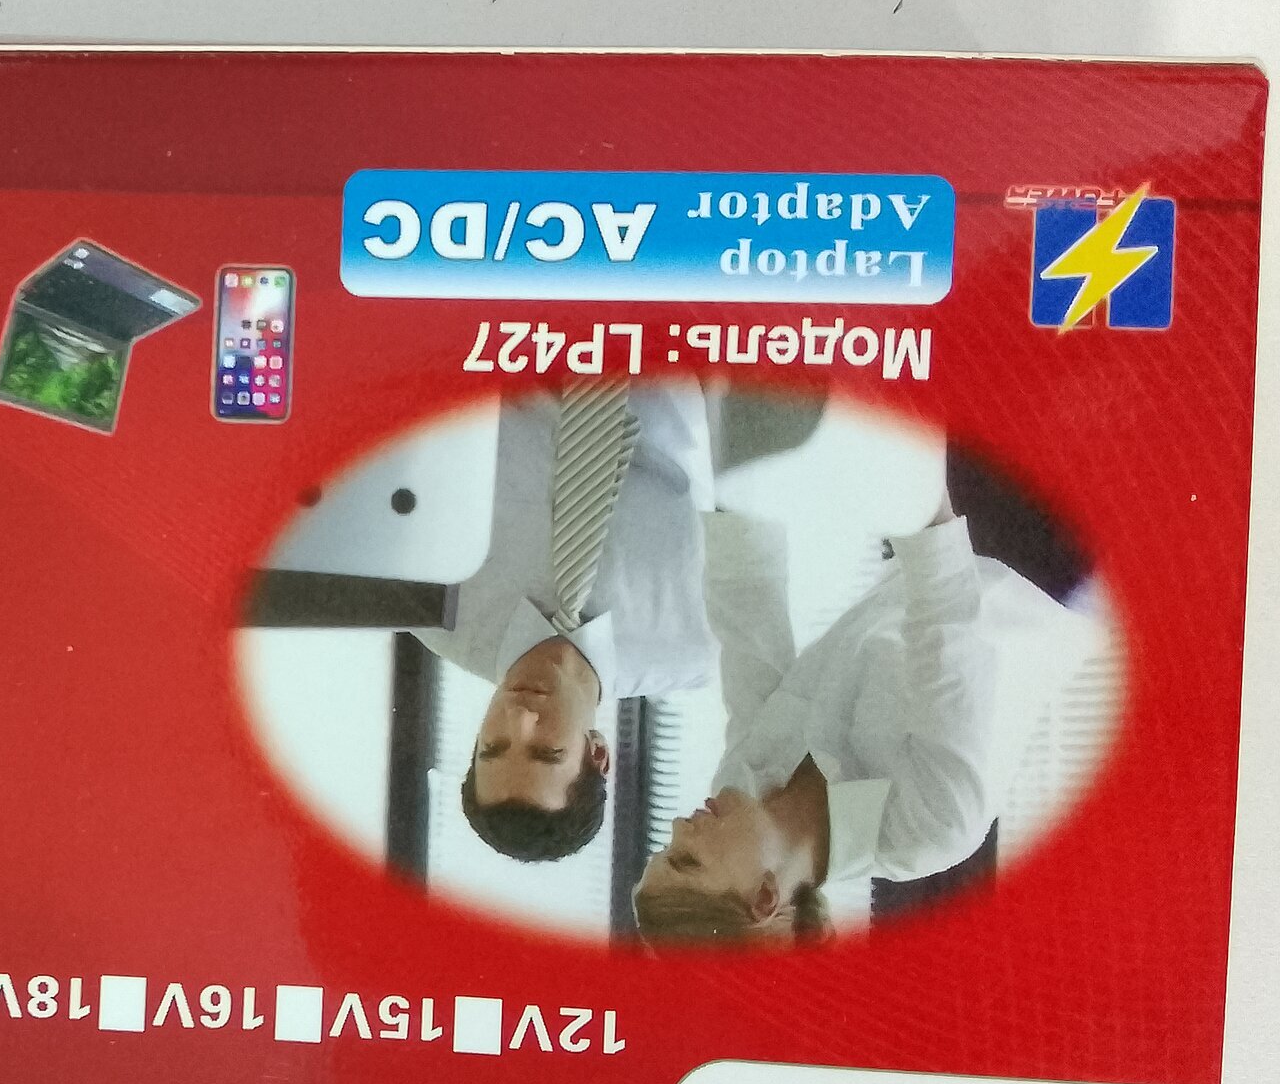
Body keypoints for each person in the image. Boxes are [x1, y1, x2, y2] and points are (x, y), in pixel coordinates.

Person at [633, 486, 1091, 945]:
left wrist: (737, 478)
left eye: (666, 848)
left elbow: (748, 610)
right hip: (1045, 566)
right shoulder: (927, 827)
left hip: (947, 534)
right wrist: (910, 482)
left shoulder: (740, 782)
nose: (677, 828)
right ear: (764, 897)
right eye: (687, 860)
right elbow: (946, 614)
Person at [418, 378, 719, 863]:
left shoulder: (435, 612)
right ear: (597, 754)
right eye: (546, 751)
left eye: (493, 745)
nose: (520, 718)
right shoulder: (698, 643)